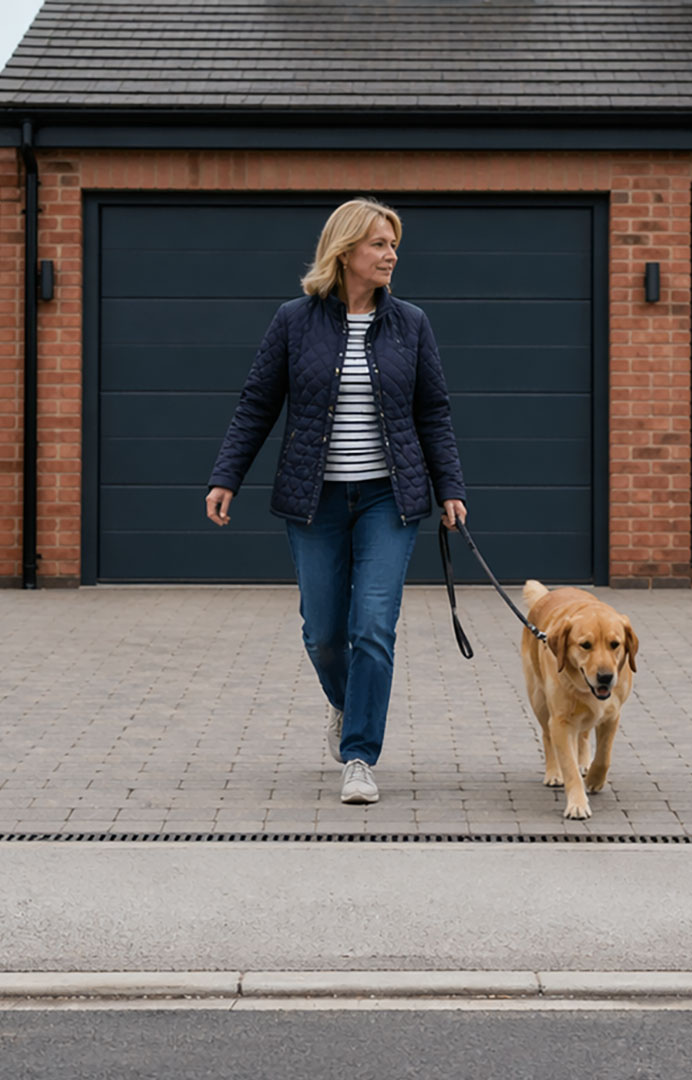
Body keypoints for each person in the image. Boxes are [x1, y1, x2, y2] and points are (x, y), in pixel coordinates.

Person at [205, 197, 468, 806]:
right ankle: (346, 704)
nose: (391, 254)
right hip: (313, 500)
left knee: (373, 626)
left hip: (389, 498)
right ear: (346, 250)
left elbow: (434, 412)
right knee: (323, 632)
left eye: (393, 244)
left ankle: (359, 755)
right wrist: (227, 476)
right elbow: (256, 403)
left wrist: (450, 488)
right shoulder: (294, 321)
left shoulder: (412, 324)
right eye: (379, 244)